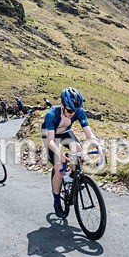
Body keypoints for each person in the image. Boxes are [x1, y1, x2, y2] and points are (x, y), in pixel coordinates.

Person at [42, 87, 101, 218]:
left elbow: (89, 134)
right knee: (59, 169)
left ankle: (73, 177)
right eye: (69, 111)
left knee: (78, 150)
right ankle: (57, 201)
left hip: (66, 133)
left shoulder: (77, 112)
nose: (72, 114)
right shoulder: (51, 114)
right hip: (51, 137)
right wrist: (60, 153)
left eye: (75, 111)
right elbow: (51, 141)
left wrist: (99, 147)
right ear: (62, 105)